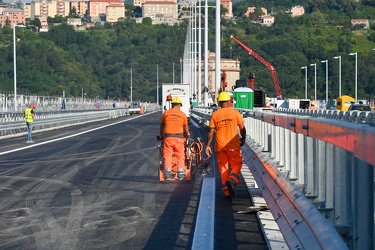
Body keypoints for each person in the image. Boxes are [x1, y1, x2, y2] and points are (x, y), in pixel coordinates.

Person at [205, 92, 246, 198]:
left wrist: (208, 145)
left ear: (218, 102)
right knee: (236, 164)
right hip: (233, 144)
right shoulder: (235, 113)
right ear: (229, 102)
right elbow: (242, 128)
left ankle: (227, 191)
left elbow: (211, 131)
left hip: (220, 146)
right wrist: (243, 139)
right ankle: (232, 181)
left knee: (223, 168)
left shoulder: (215, 114)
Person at [160, 97, 190, 180]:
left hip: (168, 138)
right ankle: (180, 174)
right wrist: (187, 134)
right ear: (180, 105)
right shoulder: (183, 114)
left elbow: (162, 125)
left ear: (172, 105)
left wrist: (161, 134)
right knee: (180, 155)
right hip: (179, 138)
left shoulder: (166, 113)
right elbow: (186, 128)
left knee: (168, 155)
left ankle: (167, 174)